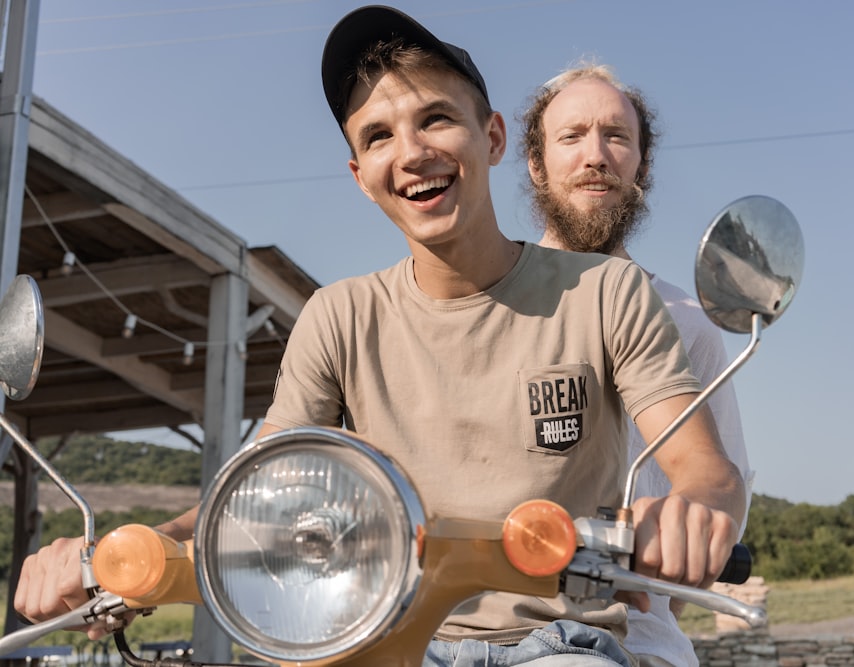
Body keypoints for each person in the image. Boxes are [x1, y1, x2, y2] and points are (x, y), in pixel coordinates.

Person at [14, 7, 745, 666]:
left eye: (435, 119)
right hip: (380, 639)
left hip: (561, 641)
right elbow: (249, 496)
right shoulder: (339, 318)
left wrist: (689, 510)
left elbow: (704, 469)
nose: (412, 151)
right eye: (378, 136)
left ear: (491, 137)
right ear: (361, 175)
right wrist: (111, 553)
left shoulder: (605, 292)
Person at [520, 63, 754, 666]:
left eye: (616, 136)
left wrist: (679, 535)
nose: (595, 155)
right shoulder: (491, 303)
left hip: (639, 642)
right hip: (490, 636)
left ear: (643, 165)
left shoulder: (687, 321)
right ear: (535, 164)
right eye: (571, 136)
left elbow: (722, 486)